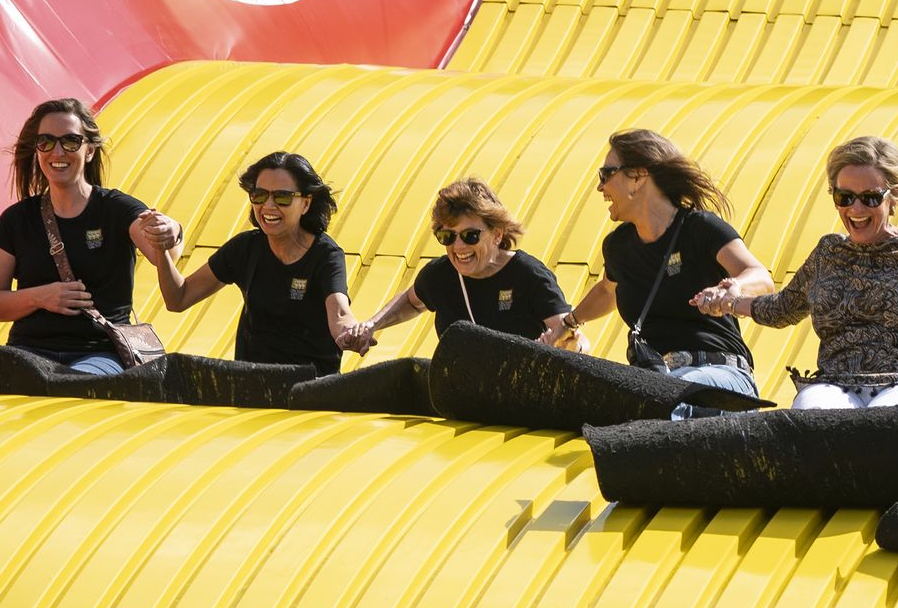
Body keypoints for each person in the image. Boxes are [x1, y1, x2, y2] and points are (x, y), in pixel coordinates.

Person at [698, 135, 898, 454]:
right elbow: (783, 308)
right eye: (844, 197)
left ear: (894, 197)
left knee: (884, 426)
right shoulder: (827, 253)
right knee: (807, 426)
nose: (856, 208)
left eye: (870, 198)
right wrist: (731, 302)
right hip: (837, 383)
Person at [568, 129, 773, 416]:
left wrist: (733, 289)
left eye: (606, 174)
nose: (600, 187)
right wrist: (569, 323)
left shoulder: (699, 228)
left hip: (720, 378)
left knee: (662, 399)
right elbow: (606, 291)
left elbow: (760, 276)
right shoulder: (618, 247)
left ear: (638, 178)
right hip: (658, 379)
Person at [0, 98, 184, 373]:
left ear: (89, 151)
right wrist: (41, 297)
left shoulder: (116, 209)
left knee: (75, 386)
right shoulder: (17, 219)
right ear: (37, 150)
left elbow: (162, 253)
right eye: (46, 142)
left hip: (100, 353)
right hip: (29, 352)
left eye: (71, 141)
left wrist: (172, 232)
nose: (58, 151)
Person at [152, 150, 357, 376]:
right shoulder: (246, 248)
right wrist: (161, 248)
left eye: (282, 197)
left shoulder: (325, 254)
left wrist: (351, 333)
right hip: (252, 385)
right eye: (259, 195)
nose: (268, 206)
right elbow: (178, 298)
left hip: (310, 386)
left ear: (306, 204)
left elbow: (339, 313)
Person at [345, 178, 576, 351]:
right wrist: (372, 325)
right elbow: (411, 301)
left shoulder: (529, 275)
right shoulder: (439, 275)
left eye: (470, 236)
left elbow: (569, 335)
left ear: (497, 234)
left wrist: (568, 344)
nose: (458, 246)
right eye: (447, 236)